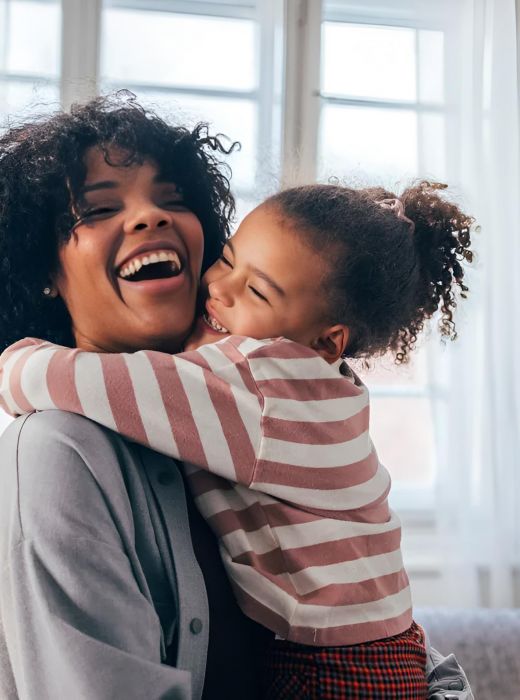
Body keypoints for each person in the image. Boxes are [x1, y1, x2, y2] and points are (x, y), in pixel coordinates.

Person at [0, 172, 475, 697]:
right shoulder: (310, 387)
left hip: (334, 669)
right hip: (380, 649)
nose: (217, 286)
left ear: (324, 343)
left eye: (254, 290)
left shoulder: (261, 384)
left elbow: (79, 380)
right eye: (225, 261)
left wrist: (15, 359)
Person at [0, 93, 272, 700]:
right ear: (43, 270)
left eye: (174, 198)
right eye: (96, 210)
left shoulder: (245, 412)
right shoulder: (56, 452)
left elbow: (380, 621)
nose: (151, 217)